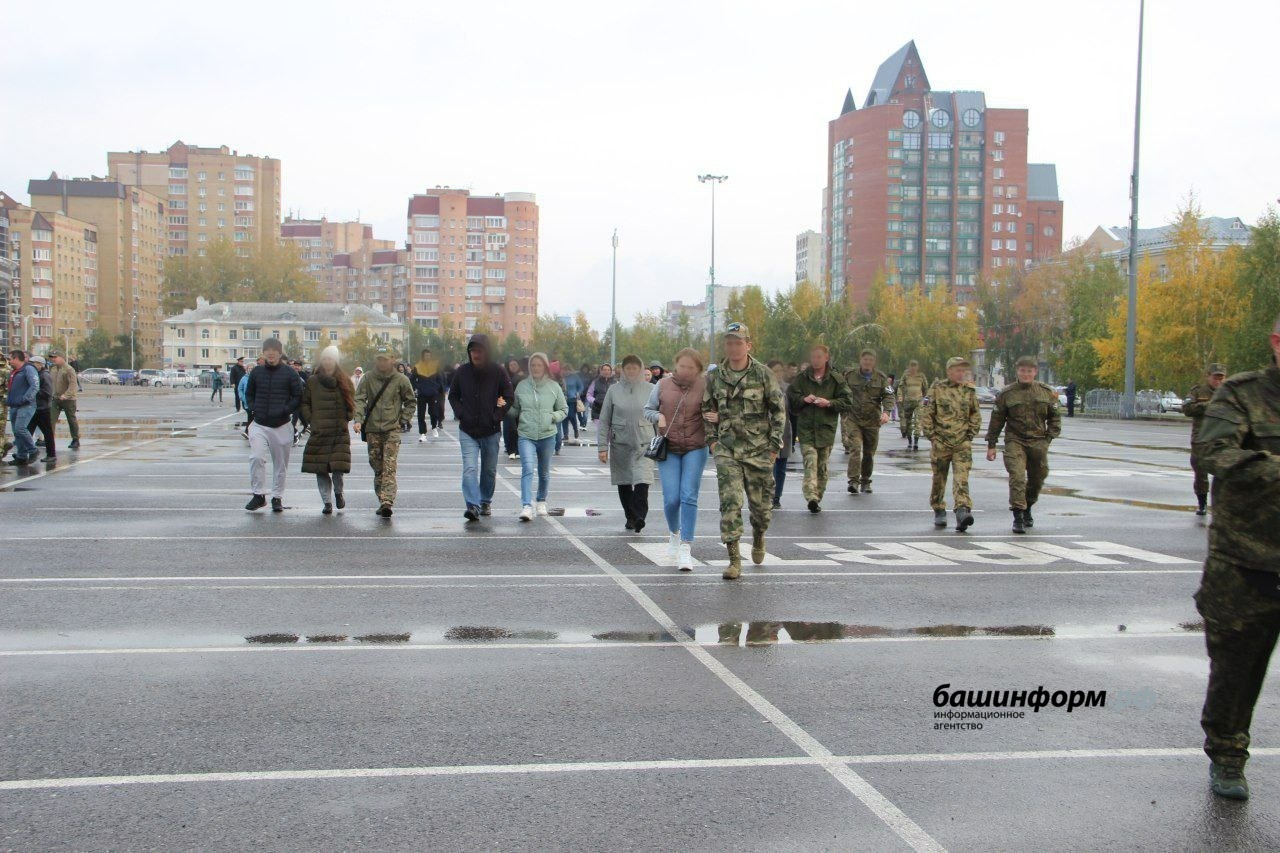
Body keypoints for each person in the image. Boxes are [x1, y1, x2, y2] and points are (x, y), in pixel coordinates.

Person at [1192, 316, 1280, 801]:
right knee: (1236, 669)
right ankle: (1227, 756)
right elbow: (1214, 452)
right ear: (1276, 343)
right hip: (1248, 560)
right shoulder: (1241, 394)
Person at [703, 323, 786, 580]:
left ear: (748, 345)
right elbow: (706, 409)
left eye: (738, 343)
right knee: (730, 502)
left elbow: (778, 411)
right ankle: (734, 560)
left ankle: (759, 535)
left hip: (759, 450)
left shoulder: (763, 374)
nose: (733, 347)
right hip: (727, 450)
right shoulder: (715, 377)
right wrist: (713, 442)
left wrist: (773, 447)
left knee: (761, 510)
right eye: (729, 343)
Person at [644, 348, 708, 571]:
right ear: (675, 365)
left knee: (688, 495)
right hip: (669, 447)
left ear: (698, 369)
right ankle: (674, 533)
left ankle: (686, 547)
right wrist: (658, 416)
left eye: (691, 367)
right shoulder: (662, 385)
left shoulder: (705, 386)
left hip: (696, 447)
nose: (686, 371)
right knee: (671, 498)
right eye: (682, 366)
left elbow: (719, 409)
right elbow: (647, 409)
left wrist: (716, 416)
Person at [986, 355, 1061, 534]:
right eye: (1022, 371)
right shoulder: (1007, 393)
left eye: (1029, 371)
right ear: (1017, 372)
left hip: (1038, 441)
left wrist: (1048, 438)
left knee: (1038, 477)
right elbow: (997, 420)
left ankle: (1028, 505)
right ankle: (1018, 515)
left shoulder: (1046, 392)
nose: (1025, 374)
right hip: (1015, 441)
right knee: (1017, 476)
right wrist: (992, 444)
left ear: (1035, 372)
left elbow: (1055, 417)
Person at [449, 334, 513, 522]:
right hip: (467, 430)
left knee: (489, 470)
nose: (476, 354)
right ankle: (472, 504)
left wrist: (497, 415)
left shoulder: (498, 372)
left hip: (491, 430)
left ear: (487, 352)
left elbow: (508, 396)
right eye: (473, 351)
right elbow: (453, 396)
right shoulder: (462, 372)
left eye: (479, 351)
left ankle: (485, 500)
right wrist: (461, 413)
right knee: (469, 468)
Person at [788, 345, 853, 513]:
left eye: (819, 357)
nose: (816, 360)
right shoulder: (802, 378)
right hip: (806, 429)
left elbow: (847, 401)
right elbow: (791, 397)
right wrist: (803, 399)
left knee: (822, 467)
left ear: (826, 358)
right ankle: (811, 496)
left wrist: (829, 403)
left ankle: (817, 498)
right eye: (813, 357)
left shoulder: (836, 379)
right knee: (810, 462)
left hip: (826, 429)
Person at [353, 347, 417, 517]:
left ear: (392, 360)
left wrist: (402, 420)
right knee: (377, 466)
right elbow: (359, 399)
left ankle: (387, 501)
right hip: (373, 429)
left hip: (391, 430)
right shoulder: (368, 378)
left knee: (389, 466)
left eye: (385, 359)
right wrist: (358, 419)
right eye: (379, 359)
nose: (382, 363)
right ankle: (381, 498)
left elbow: (411, 402)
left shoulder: (401, 379)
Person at [921, 356, 982, 531]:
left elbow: (975, 414)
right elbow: (927, 414)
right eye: (957, 370)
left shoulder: (969, 391)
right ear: (949, 371)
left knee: (961, 479)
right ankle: (939, 509)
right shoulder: (937, 389)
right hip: (941, 442)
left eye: (963, 370)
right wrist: (932, 437)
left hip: (961, 443)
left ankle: (962, 511)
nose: (961, 373)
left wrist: (970, 434)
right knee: (939, 479)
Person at [244, 338, 304, 513]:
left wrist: (285, 409)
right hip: (259, 424)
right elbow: (249, 393)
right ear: (263, 352)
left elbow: (298, 396)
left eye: (274, 350)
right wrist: (253, 407)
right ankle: (258, 495)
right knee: (256, 458)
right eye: (267, 350)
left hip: (281, 425)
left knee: (280, 464)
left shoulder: (290, 373)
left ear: (279, 352)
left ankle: (277, 497)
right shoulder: (257, 372)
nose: (271, 353)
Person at [598, 355, 654, 531]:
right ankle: (630, 516)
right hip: (620, 443)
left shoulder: (651, 389)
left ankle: (639, 516)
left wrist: (662, 443)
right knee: (624, 482)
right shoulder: (613, 390)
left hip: (645, 442)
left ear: (640, 369)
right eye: (628, 368)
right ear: (622, 370)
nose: (631, 371)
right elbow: (604, 420)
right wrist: (602, 447)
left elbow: (658, 416)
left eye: (634, 368)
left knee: (642, 481)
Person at [511, 352, 568, 520]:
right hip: (526, 434)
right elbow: (515, 410)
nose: (536, 368)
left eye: (539, 365)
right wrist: (503, 407)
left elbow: (564, 409)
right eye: (533, 365)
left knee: (544, 472)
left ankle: (541, 501)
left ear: (545, 367)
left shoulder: (554, 387)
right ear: (529, 367)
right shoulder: (522, 386)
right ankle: (526, 506)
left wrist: (552, 417)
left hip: (547, 435)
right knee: (527, 469)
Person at [300, 346, 353, 515]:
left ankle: (338, 493)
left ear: (336, 361)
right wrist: (311, 420)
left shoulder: (344, 380)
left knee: (338, 467)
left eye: (330, 358)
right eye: (325, 358)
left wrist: (348, 416)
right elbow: (305, 403)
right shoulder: (312, 381)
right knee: (320, 468)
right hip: (320, 431)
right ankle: (327, 502)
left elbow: (352, 401)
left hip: (339, 431)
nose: (327, 361)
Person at [841, 348, 893, 494]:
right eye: (865, 360)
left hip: (872, 421)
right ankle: (853, 481)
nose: (867, 362)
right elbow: (840, 391)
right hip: (854, 419)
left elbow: (889, 396)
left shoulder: (881, 378)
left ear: (874, 362)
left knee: (869, 453)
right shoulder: (850, 376)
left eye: (870, 360)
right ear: (860, 360)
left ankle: (865, 480)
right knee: (856, 448)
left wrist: (887, 412)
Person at [1183, 363, 1228, 517]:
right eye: (1215, 377)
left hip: (1222, 439)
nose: (1218, 381)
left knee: (1223, 473)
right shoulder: (1198, 391)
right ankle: (1202, 504)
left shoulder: (1230, 392)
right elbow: (1187, 409)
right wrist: (1209, 406)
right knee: (1200, 474)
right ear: (1208, 376)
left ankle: (1221, 506)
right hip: (1201, 439)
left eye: (1221, 378)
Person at [767, 360, 794, 509]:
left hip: (784, 431)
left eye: (780, 370)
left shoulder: (787, 389)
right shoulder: (763, 388)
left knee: (781, 467)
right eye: (775, 371)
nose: (778, 374)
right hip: (767, 431)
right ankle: (768, 495)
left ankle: (777, 496)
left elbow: (793, 411)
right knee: (769, 465)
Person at [5, 350, 38, 465]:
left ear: (16, 358)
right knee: (16, 432)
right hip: (14, 405)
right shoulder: (14, 371)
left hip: (26, 405)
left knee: (20, 428)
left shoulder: (28, 369)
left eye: (10, 359)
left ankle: (33, 450)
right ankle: (21, 456)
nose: (9, 361)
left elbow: (35, 386)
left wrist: (25, 398)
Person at [412, 348, 447, 441]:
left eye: (429, 355)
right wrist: (418, 387)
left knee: (433, 412)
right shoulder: (418, 367)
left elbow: (440, 379)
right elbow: (412, 379)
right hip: (422, 394)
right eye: (426, 355)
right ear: (423, 356)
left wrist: (437, 387)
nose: (427, 357)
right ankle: (423, 433)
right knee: (421, 414)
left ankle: (434, 427)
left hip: (433, 394)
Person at [26, 355, 56, 462]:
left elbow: (48, 392)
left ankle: (51, 454)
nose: (30, 366)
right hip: (35, 408)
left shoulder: (44, 375)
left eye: (33, 363)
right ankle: (23, 453)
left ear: (40, 364)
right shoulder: (37, 374)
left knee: (47, 432)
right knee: (27, 431)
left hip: (43, 408)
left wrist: (33, 391)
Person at [48, 350, 80, 450]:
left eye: (55, 357)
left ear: (62, 358)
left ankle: (75, 439)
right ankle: (49, 440)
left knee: (71, 419)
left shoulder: (69, 369)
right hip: (55, 398)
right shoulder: (52, 368)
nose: (53, 359)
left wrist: (66, 395)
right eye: (52, 357)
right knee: (51, 419)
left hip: (68, 399)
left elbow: (73, 385)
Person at [897, 360, 930, 450]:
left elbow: (925, 388)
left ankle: (916, 441)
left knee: (917, 421)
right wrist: (900, 396)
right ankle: (909, 441)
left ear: (917, 367)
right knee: (908, 422)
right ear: (909, 366)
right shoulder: (905, 375)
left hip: (919, 401)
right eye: (911, 365)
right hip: (908, 401)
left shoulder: (921, 376)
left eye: (915, 366)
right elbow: (900, 386)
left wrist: (926, 398)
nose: (913, 367)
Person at [503, 357, 526, 460]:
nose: (513, 367)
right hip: (508, 405)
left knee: (519, 428)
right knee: (509, 428)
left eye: (515, 364)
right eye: (511, 365)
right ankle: (510, 449)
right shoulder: (505, 375)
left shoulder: (522, 376)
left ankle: (518, 450)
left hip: (520, 405)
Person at [562, 365, 585, 444]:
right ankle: (565, 434)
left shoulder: (575, 377)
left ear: (570, 370)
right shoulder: (561, 377)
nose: (566, 372)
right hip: (563, 399)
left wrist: (578, 393)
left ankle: (575, 430)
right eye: (564, 370)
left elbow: (581, 386)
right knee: (564, 417)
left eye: (567, 370)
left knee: (571, 415)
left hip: (573, 399)